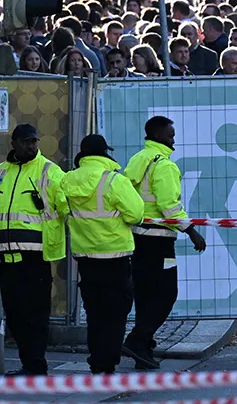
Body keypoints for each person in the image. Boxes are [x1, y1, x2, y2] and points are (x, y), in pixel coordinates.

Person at [0, 123, 67, 376]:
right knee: (15, 315)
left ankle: (36, 365)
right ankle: (29, 363)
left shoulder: (50, 171)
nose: (32, 146)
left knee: (35, 315)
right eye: (27, 141)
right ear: (14, 143)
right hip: (7, 257)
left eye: (34, 141)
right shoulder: (0, 172)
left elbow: (65, 206)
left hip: (35, 257)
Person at [123, 116, 207, 370]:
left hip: (137, 237)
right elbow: (169, 206)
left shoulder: (138, 159)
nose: (173, 140)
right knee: (167, 293)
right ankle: (137, 340)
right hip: (159, 241)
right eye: (171, 136)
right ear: (159, 135)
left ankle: (144, 349)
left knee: (145, 294)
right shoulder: (165, 165)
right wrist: (191, 231)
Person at [63, 134, 144, 374]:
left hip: (85, 258)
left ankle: (97, 358)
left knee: (95, 312)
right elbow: (135, 214)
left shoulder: (67, 180)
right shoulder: (113, 180)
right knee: (115, 313)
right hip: (115, 257)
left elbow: (60, 209)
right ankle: (107, 362)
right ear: (104, 153)